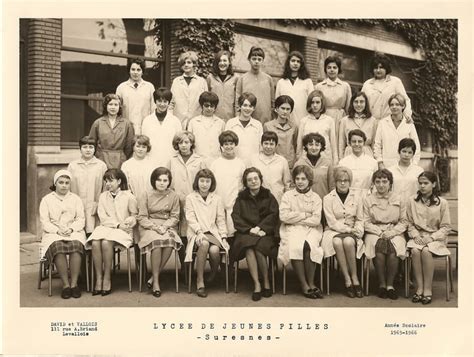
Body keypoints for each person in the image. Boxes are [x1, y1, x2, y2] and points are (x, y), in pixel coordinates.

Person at [231, 167, 279, 301]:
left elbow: (274, 214)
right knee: (249, 248)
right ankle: (257, 284)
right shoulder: (241, 198)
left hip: (265, 233)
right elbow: (236, 216)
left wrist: (261, 228)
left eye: (255, 178)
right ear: (245, 183)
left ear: (260, 180)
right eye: (249, 180)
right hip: (246, 233)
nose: (253, 182)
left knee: (259, 248)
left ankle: (266, 281)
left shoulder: (269, 196)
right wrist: (249, 229)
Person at [87, 169, 138, 295]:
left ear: (119, 181)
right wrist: (117, 224)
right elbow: (102, 217)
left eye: (111, 180)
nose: (108, 184)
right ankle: (99, 277)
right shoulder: (103, 196)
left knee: (106, 243)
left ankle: (107, 277)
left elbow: (134, 214)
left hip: (123, 231)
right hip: (106, 227)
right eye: (106, 181)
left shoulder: (129, 196)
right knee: (95, 242)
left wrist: (129, 221)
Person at [39, 170, 86, 299]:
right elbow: (45, 221)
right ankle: (65, 285)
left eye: (67, 183)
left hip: (73, 231)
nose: (64, 185)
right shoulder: (46, 200)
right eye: (61, 182)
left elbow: (81, 219)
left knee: (76, 246)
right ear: (55, 183)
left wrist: (71, 229)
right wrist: (57, 230)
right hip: (54, 232)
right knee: (58, 247)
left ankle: (74, 284)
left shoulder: (75, 199)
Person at [279, 165, 324, 299]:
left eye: (303, 179)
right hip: (291, 229)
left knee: (309, 246)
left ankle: (311, 282)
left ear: (309, 180)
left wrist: (295, 217)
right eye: (297, 178)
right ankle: (304, 284)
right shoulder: (288, 195)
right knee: (297, 245)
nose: (300, 181)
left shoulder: (316, 197)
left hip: (312, 229)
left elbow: (316, 220)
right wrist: (305, 215)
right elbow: (283, 216)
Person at [406, 171, 451, 305]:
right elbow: (409, 223)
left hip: (436, 238)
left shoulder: (442, 203)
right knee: (414, 250)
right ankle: (419, 288)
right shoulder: (412, 201)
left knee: (426, 251)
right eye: (420, 183)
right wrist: (415, 235)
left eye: (426, 183)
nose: (422, 186)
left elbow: (446, 227)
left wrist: (432, 238)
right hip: (418, 236)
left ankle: (428, 289)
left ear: (434, 184)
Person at [184, 169, 230, 298]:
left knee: (215, 251)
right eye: (202, 181)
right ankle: (200, 281)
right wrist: (198, 232)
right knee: (204, 244)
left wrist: (224, 237)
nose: (204, 184)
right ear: (197, 182)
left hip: (213, 233)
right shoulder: (190, 198)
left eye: (207, 181)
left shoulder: (217, 199)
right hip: (196, 232)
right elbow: (190, 218)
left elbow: (220, 220)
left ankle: (214, 273)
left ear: (212, 183)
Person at [137, 167, 181, 298]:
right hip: (149, 226)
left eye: (165, 180)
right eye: (159, 180)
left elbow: (175, 216)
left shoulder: (174, 195)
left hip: (167, 225)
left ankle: (153, 277)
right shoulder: (145, 194)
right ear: (153, 181)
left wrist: (165, 227)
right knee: (156, 243)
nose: (162, 183)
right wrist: (155, 227)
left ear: (169, 182)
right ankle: (156, 282)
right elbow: (142, 217)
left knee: (169, 242)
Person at [363, 169, 407, 300]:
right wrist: (380, 232)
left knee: (394, 249)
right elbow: (365, 221)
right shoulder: (368, 199)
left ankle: (390, 285)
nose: (381, 185)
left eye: (384, 181)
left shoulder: (399, 198)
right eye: (378, 182)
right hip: (374, 231)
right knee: (379, 248)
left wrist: (392, 232)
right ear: (373, 184)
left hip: (394, 230)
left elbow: (404, 221)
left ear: (390, 183)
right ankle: (382, 285)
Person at [321, 166, 364, 298]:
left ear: (350, 181)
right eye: (340, 180)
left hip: (352, 230)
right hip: (333, 231)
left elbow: (360, 218)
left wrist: (359, 230)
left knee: (349, 242)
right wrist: (348, 229)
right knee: (337, 242)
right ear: (335, 182)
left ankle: (355, 277)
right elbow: (332, 222)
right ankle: (347, 279)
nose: (343, 183)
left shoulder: (357, 197)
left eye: (346, 180)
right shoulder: (328, 198)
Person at [167, 131, 206, 274]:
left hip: (194, 200)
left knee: (192, 230)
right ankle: (185, 268)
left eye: (187, 142)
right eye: (180, 142)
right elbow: (168, 180)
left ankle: (193, 265)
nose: (184, 145)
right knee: (181, 233)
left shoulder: (199, 160)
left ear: (191, 144)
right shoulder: (172, 160)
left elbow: (204, 180)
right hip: (177, 200)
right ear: (177, 145)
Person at [67, 136, 107, 236]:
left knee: (93, 231)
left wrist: (99, 203)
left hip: (94, 205)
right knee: (78, 231)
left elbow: (105, 188)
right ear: (80, 149)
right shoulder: (73, 166)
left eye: (91, 147)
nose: (88, 150)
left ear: (95, 149)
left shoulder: (101, 166)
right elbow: (68, 186)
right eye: (85, 147)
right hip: (76, 204)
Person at [210, 131, 246, 237]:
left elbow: (243, 185)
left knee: (233, 233)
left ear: (235, 145)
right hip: (219, 204)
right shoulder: (215, 164)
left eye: (231, 143)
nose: (229, 146)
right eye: (226, 144)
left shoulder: (240, 164)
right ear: (221, 146)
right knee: (220, 233)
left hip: (234, 205)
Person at [374, 93, 421, 169]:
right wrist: (380, 162)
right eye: (392, 105)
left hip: (406, 165)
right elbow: (377, 145)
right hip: (387, 165)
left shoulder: (409, 123)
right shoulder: (383, 123)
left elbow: (416, 145)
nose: (394, 107)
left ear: (403, 106)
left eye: (397, 104)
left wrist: (414, 164)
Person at [361, 52, 412, 121]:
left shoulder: (395, 82)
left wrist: (407, 114)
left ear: (386, 68)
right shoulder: (367, 84)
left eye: (381, 67)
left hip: (390, 122)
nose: (378, 70)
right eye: (375, 68)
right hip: (370, 122)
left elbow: (405, 100)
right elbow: (361, 103)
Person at [89, 93, 135, 169]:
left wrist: (123, 156)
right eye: (110, 104)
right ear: (106, 106)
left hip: (121, 160)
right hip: (102, 159)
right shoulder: (98, 123)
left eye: (116, 105)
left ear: (119, 107)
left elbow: (129, 145)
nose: (113, 107)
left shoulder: (127, 124)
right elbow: (92, 142)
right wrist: (99, 156)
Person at [141, 87, 182, 168]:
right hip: (151, 160)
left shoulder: (175, 121)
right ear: (155, 101)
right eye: (159, 101)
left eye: (165, 101)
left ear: (169, 102)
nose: (162, 104)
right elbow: (144, 142)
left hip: (170, 161)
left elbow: (178, 143)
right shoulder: (147, 120)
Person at [315, 56, 352, 140]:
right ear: (325, 69)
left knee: (340, 141)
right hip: (324, 117)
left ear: (338, 69)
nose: (332, 70)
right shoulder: (319, 86)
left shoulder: (345, 86)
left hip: (340, 118)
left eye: (334, 67)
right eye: (329, 67)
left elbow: (348, 107)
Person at [235, 46, 274, 124]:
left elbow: (273, 102)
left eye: (259, 59)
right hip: (247, 118)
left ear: (263, 61)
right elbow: (237, 102)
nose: (256, 61)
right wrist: (238, 118)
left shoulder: (268, 79)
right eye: (254, 59)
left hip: (265, 119)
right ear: (249, 60)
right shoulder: (242, 79)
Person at [297, 90, 338, 164]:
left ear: (322, 104)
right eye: (312, 102)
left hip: (325, 159)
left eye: (318, 102)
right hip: (307, 159)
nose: (315, 105)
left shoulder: (329, 120)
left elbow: (333, 144)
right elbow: (299, 144)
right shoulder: (304, 121)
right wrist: (299, 160)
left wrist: (335, 161)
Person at [250, 131, 291, 204]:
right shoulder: (253, 160)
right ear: (261, 144)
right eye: (266, 143)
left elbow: (287, 184)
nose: (268, 147)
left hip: (277, 199)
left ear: (276, 145)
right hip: (257, 200)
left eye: (271, 144)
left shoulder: (282, 161)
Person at [116, 58, 155, 134]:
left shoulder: (149, 87)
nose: (135, 72)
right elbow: (117, 111)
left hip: (145, 129)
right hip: (126, 130)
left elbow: (153, 109)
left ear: (142, 71)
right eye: (133, 69)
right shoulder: (121, 87)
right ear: (129, 71)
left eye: (138, 70)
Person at [169, 51, 208, 129]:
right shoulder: (176, 81)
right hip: (179, 121)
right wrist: (170, 118)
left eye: (189, 62)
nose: (186, 65)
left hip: (197, 121)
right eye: (184, 63)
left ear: (194, 64)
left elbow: (206, 102)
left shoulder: (201, 81)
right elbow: (171, 103)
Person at [275, 50, 314, 127]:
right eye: (293, 61)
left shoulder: (307, 81)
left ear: (301, 64)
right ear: (288, 63)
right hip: (285, 122)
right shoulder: (281, 82)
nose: (295, 63)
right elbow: (277, 103)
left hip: (303, 120)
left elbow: (311, 102)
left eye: (298, 61)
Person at [225, 92, 263, 166]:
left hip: (253, 165)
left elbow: (261, 148)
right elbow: (225, 145)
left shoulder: (258, 125)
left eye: (250, 106)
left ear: (254, 108)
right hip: (234, 164)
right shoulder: (231, 123)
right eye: (245, 105)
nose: (247, 109)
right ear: (240, 106)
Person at [187, 91, 225, 165]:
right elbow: (189, 143)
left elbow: (223, 144)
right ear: (202, 106)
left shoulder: (220, 123)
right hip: (197, 161)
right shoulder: (193, 122)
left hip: (215, 160)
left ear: (215, 107)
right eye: (206, 105)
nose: (209, 108)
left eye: (212, 106)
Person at [294, 133, 335, 200]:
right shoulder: (299, 164)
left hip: (323, 202)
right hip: (303, 203)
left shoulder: (328, 163)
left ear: (321, 146)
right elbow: (294, 186)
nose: (314, 148)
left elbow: (332, 186)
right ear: (306, 146)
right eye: (310, 144)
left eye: (317, 145)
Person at [338, 91, 378, 159]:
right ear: (352, 103)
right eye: (356, 102)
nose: (359, 104)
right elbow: (341, 143)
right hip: (349, 153)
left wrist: (375, 159)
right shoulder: (345, 120)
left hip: (367, 153)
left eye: (362, 102)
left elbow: (374, 143)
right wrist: (341, 159)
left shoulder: (373, 120)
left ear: (366, 104)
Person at [263, 95, 298, 169]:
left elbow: (295, 145)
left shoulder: (294, 126)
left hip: (290, 164)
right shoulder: (268, 126)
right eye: (282, 108)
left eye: (288, 109)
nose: (285, 111)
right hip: (273, 163)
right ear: (276, 108)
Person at [338, 129, 378, 193]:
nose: (357, 144)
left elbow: (375, 184)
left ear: (364, 143)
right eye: (354, 141)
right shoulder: (343, 163)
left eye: (360, 141)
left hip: (367, 197)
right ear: (349, 143)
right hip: (349, 197)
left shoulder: (373, 163)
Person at [121, 135, 155, 202]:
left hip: (151, 200)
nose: (140, 149)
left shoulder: (152, 164)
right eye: (138, 146)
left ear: (147, 149)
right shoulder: (126, 165)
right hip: (133, 200)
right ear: (133, 147)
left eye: (144, 147)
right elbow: (125, 186)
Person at [206, 50, 239, 121]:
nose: (222, 63)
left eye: (225, 60)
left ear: (229, 62)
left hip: (230, 117)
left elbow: (237, 100)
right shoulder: (210, 78)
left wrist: (237, 116)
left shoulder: (236, 78)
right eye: (220, 61)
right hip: (214, 118)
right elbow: (206, 98)